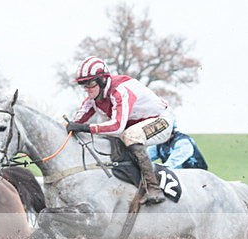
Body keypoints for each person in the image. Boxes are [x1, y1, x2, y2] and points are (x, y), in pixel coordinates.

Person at [65, 56, 175, 205]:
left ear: (102, 80)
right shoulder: (93, 97)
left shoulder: (119, 91)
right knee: (107, 139)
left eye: (90, 83)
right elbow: (76, 122)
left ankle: (153, 188)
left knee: (130, 135)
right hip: (136, 123)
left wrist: (86, 128)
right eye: (83, 85)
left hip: (161, 120)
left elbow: (117, 127)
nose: (87, 89)